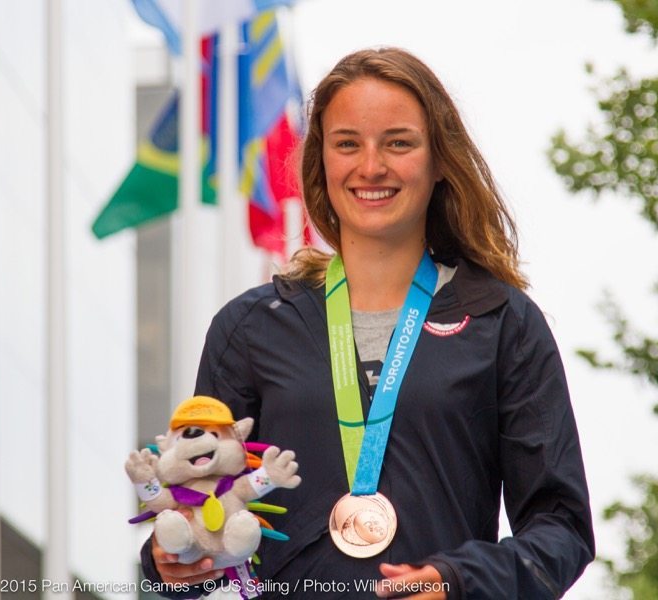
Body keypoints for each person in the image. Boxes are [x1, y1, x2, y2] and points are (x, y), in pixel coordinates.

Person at [142, 47, 594, 599]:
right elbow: (200, 489)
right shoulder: (252, 327)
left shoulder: (502, 323)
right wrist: (170, 558)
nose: (371, 166)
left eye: (398, 142)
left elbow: (562, 528)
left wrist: (460, 581)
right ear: (322, 161)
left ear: (438, 162)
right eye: (347, 143)